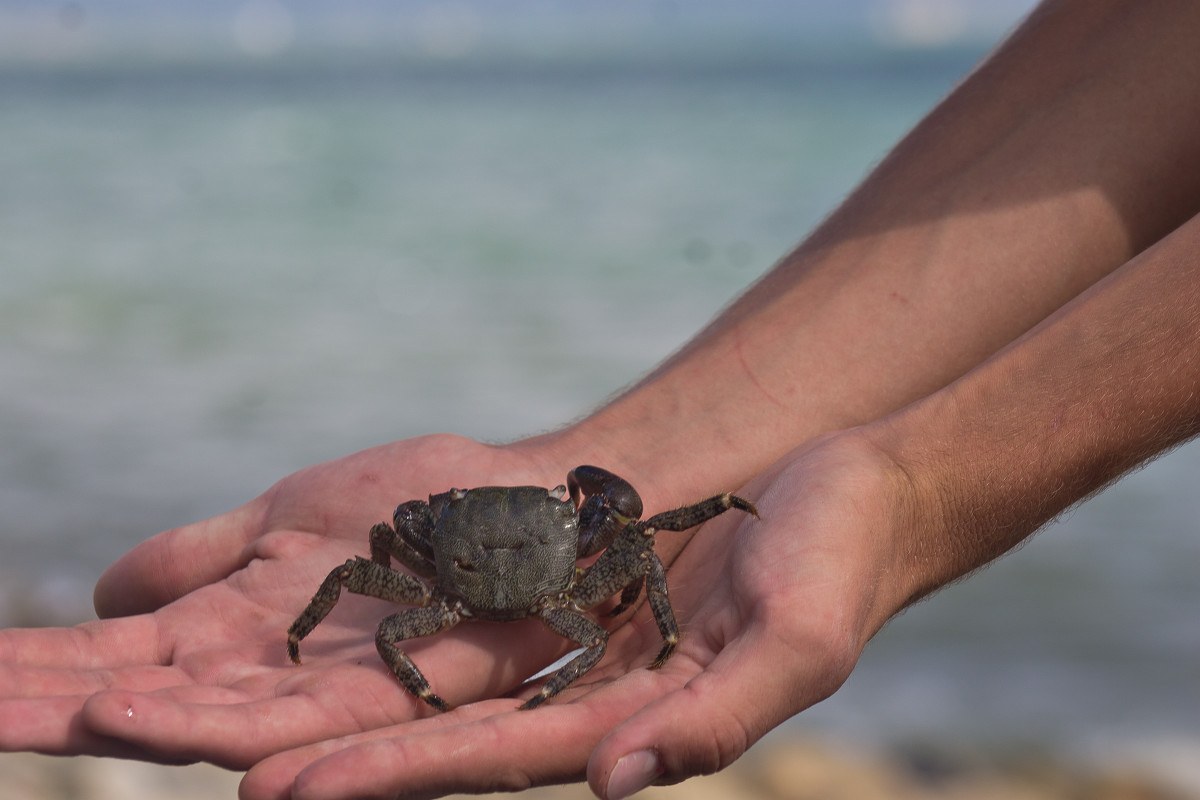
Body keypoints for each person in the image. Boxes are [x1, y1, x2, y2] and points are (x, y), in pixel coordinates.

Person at [3, 1, 1199, 798]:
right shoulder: (587, 569)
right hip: (561, 597)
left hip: (470, 589)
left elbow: (364, 565)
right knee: (631, 561)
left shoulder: (409, 581)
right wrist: (670, 475)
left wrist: (917, 484)